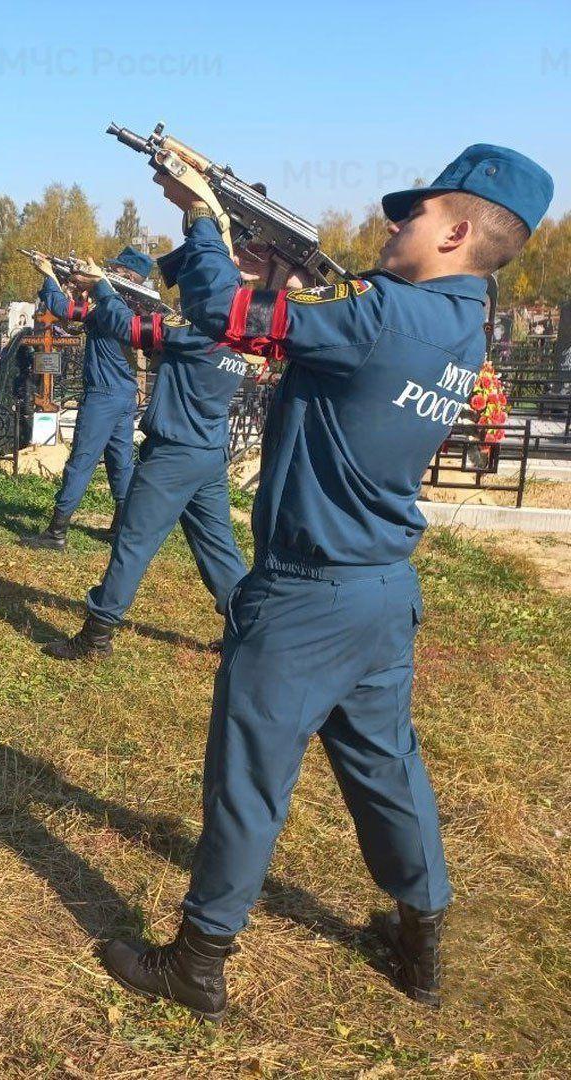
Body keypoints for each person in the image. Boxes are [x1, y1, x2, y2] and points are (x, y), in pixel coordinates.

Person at [99, 145, 553, 1020]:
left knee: (248, 779)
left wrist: (201, 220)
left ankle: (198, 962)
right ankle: (419, 938)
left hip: (307, 595)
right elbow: (326, 345)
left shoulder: (383, 315)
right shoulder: (462, 320)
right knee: (386, 767)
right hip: (382, 590)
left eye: (413, 215)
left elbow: (220, 310)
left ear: (456, 232)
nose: (394, 222)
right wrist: (276, 263)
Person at [42, 251, 251, 660]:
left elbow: (127, 326)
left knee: (132, 542)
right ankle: (249, 631)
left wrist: (102, 285)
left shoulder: (195, 332)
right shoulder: (237, 340)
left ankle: (96, 635)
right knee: (219, 547)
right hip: (209, 452)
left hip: (173, 454)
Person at [23, 246, 153, 550]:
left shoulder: (110, 307)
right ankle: (121, 527)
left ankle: (56, 532)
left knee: (81, 461)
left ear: (123, 275)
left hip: (103, 396)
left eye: (115, 269)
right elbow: (75, 315)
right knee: (120, 462)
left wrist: (47, 275)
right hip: (123, 395)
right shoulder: (127, 308)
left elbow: (61, 308)